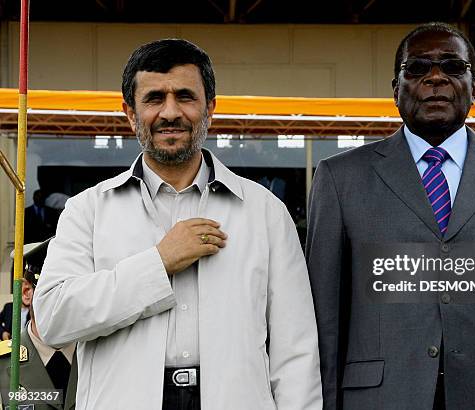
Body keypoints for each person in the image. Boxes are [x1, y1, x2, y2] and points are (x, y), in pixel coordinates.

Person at [34, 39, 321, 410]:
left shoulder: (265, 212)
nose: (170, 112)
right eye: (154, 98)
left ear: (210, 109)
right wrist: (158, 263)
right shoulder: (87, 210)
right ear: (130, 113)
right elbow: (54, 319)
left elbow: (295, 351)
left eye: (185, 96)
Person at [306, 22, 475, 409]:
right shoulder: (339, 178)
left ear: (474, 87)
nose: (435, 78)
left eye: (452, 67)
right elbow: (323, 317)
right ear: (396, 89)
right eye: (417, 68)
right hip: (381, 398)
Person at [0, 239, 78, 409]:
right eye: (53, 292)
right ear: (27, 292)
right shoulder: (4, 362)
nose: (64, 302)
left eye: (73, 293)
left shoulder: (102, 356)